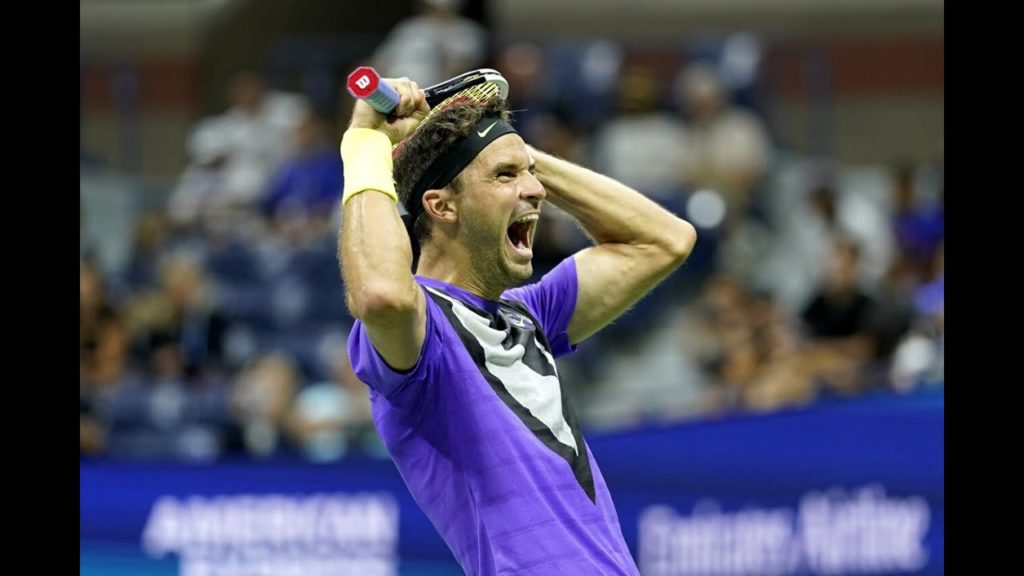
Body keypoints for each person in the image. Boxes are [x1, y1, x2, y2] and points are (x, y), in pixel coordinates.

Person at [339, 76, 697, 575]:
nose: (536, 190)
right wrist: (366, 141)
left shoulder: (530, 314)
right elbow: (380, 293)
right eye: (506, 176)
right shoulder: (425, 336)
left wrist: (505, 145)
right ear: (441, 207)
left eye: (530, 175)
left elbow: (665, 240)